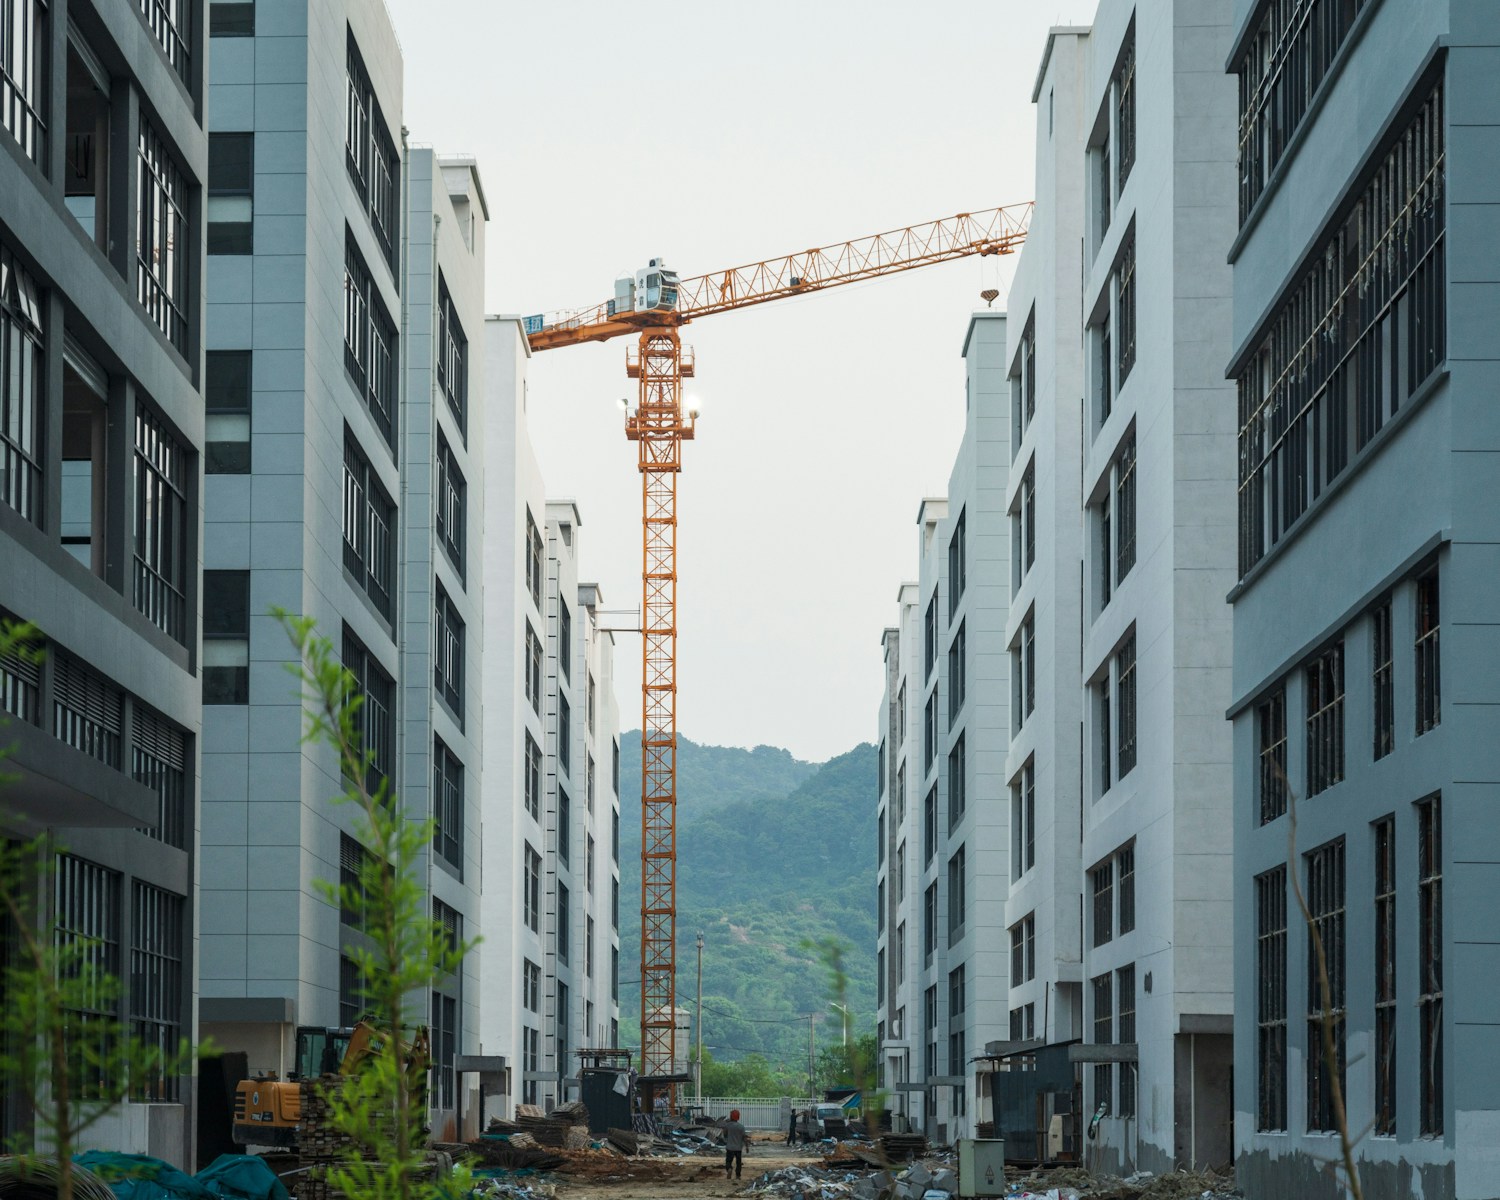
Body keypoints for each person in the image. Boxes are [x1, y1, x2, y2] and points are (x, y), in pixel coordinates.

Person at [723, 1109, 749, 1180]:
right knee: (738, 1162)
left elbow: (724, 1134)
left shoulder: (727, 1126)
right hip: (738, 1148)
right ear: (738, 1117)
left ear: (731, 1116)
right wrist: (747, 1147)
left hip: (730, 1147)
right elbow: (744, 1137)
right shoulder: (741, 1127)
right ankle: (738, 1175)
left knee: (728, 1161)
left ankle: (729, 1169)